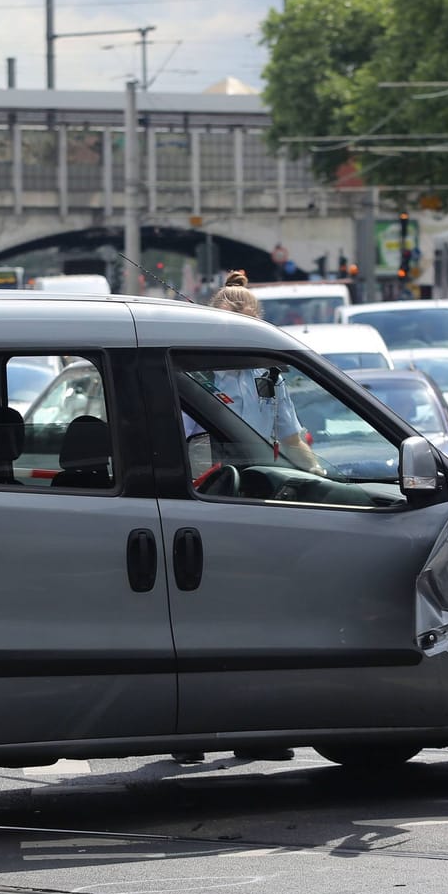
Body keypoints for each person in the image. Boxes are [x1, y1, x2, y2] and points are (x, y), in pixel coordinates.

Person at [171, 272, 299, 766]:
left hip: (260, 503)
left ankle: (257, 729)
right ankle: (192, 732)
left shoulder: (269, 374)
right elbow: (184, 443)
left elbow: (289, 442)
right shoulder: (195, 374)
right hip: (206, 500)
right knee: (205, 621)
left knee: (263, 624)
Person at [201, 272, 325, 474]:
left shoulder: (269, 377)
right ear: (218, 328)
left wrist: (316, 471)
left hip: (259, 483)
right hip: (210, 489)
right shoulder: (197, 378)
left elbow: (291, 441)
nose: (248, 340)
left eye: (253, 330)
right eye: (240, 330)